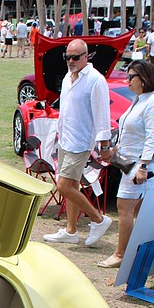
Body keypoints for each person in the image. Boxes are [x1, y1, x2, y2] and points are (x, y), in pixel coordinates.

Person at [97, 60, 154, 268]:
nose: (127, 80)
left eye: (131, 77)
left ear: (144, 78)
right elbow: (130, 133)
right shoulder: (140, 100)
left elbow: (153, 138)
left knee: (124, 206)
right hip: (130, 162)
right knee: (139, 210)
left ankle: (121, 254)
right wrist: (115, 150)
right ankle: (142, 251)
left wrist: (144, 167)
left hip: (141, 163)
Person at [43, 39, 113, 246]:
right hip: (66, 138)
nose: (71, 61)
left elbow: (102, 115)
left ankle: (98, 219)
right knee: (72, 185)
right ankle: (71, 230)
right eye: (67, 57)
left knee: (63, 185)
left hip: (81, 142)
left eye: (75, 57)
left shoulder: (95, 80)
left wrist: (104, 145)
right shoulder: (67, 77)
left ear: (86, 56)